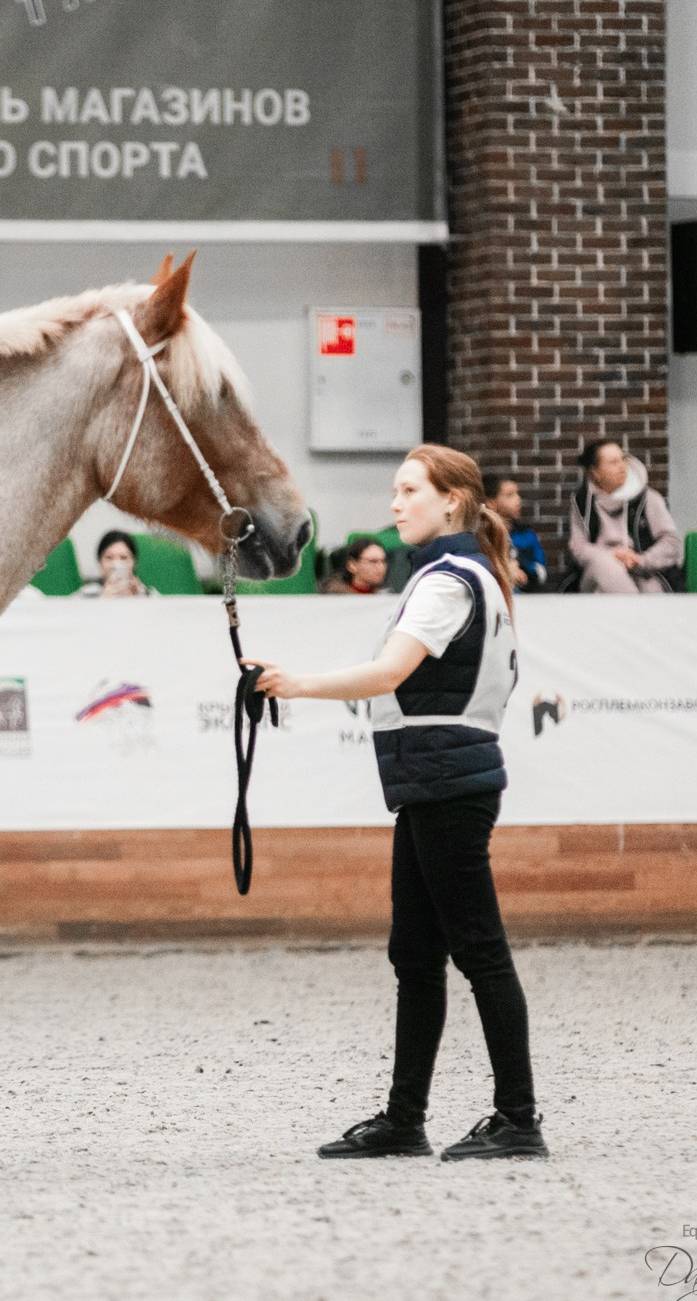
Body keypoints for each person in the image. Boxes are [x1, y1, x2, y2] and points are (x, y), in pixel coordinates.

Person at [242, 444, 546, 1162]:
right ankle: (405, 1117)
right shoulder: (470, 575)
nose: (394, 503)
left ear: (452, 502)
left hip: (446, 782)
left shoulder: (447, 582)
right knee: (417, 953)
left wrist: (294, 682)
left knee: (477, 950)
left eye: (408, 489)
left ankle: (518, 1116)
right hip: (432, 783)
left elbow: (389, 672)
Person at [569, 441, 681, 593]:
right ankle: (634, 612)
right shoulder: (582, 502)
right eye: (613, 462)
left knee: (651, 589)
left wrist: (640, 560)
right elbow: (579, 547)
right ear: (595, 473)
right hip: (597, 571)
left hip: (642, 570)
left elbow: (672, 543)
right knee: (605, 564)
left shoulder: (648, 498)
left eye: (622, 459)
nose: (622, 466)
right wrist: (613, 556)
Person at [488, 475, 547, 591]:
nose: (518, 500)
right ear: (491, 502)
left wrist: (520, 567)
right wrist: (505, 569)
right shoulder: (482, 536)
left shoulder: (526, 534)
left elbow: (541, 572)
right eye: (510, 495)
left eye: (517, 494)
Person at [78, 529, 156, 597]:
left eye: (123, 558)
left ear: (134, 562)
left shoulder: (148, 594)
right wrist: (102, 600)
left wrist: (140, 599)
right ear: (100, 562)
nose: (116, 563)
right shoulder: (87, 594)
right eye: (109, 558)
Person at [318, 538, 388, 595]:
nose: (381, 567)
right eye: (372, 561)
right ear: (352, 565)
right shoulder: (332, 598)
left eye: (383, 561)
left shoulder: (388, 597)